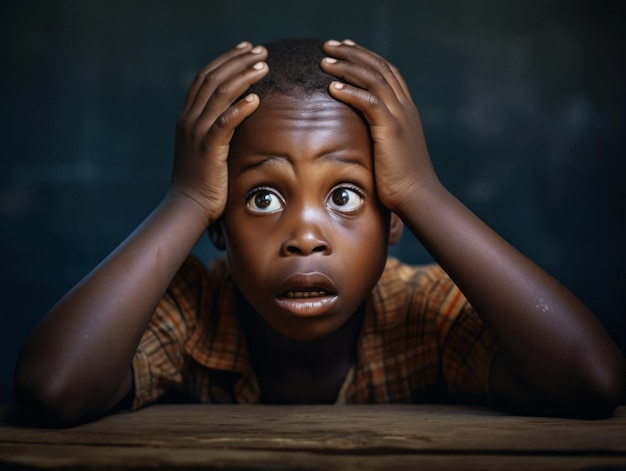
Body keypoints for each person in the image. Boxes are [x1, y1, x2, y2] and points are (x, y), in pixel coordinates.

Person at [14, 38, 624, 426]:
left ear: (393, 222)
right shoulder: (194, 310)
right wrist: (186, 197)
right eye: (263, 197)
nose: (305, 235)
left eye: (345, 195)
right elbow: (52, 389)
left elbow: (592, 382)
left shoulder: (419, 310)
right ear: (218, 225)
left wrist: (422, 191)